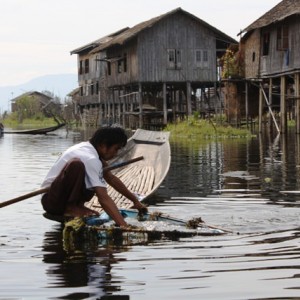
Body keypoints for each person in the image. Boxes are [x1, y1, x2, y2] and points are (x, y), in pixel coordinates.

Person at [41, 127, 147, 227]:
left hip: (59, 200)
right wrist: (123, 225)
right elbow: (103, 197)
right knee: (76, 165)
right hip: (53, 202)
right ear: (103, 145)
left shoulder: (92, 152)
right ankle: (70, 208)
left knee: (90, 177)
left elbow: (111, 179)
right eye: (116, 149)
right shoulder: (90, 158)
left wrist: (135, 200)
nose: (116, 153)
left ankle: (77, 206)